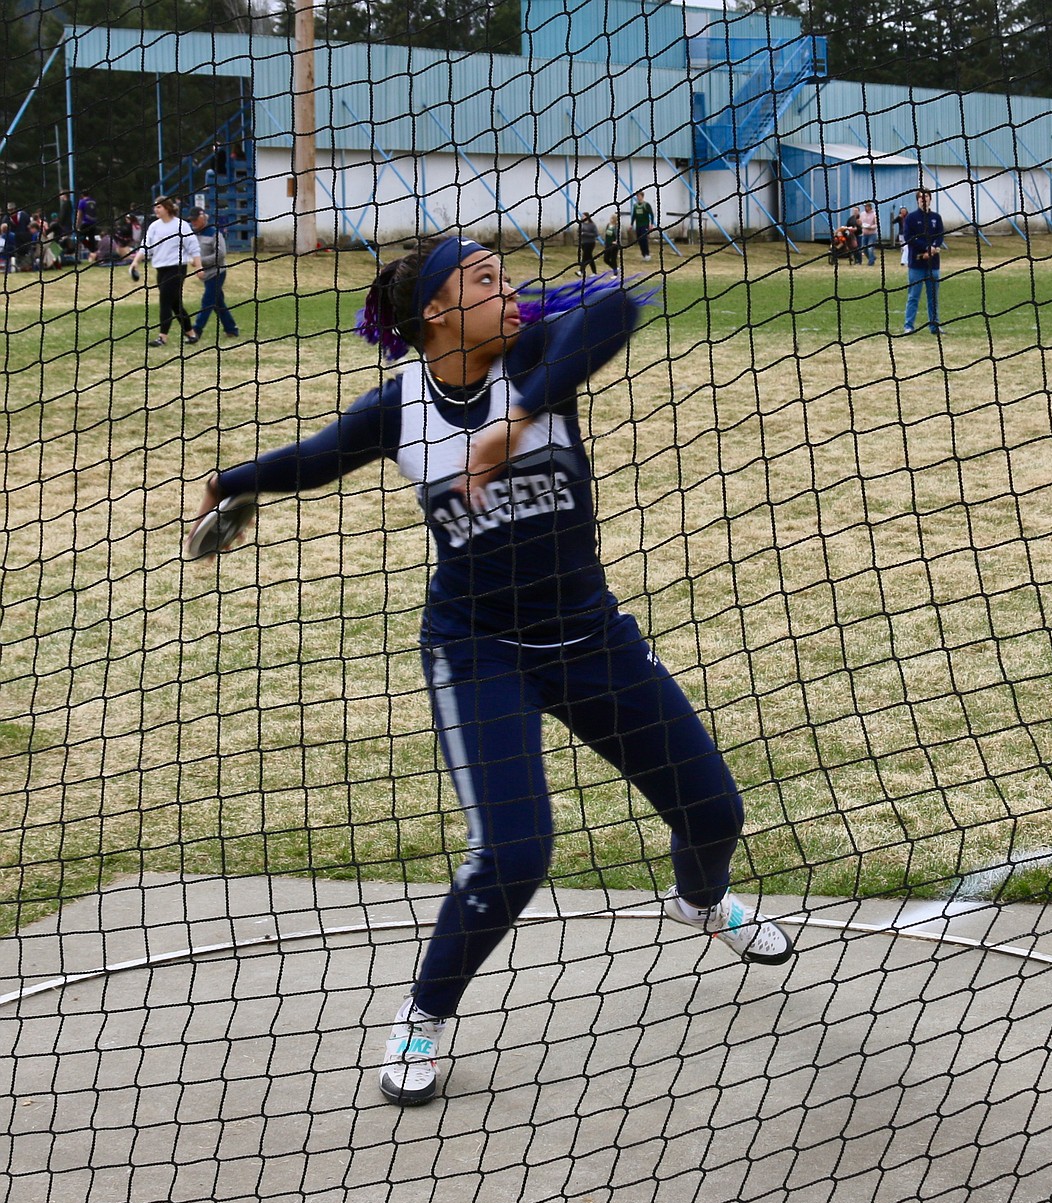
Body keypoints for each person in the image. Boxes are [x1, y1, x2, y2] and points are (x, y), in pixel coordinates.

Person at [185, 235, 796, 1107]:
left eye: (508, 276)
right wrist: (229, 481)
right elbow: (316, 459)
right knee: (515, 852)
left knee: (713, 810)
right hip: (479, 650)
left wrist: (518, 419)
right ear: (434, 311)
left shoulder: (540, 355)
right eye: (485, 280)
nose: (511, 291)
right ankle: (421, 1019)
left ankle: (699, 904)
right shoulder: (403, 406)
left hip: (591, 636)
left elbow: (617, 303)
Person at [128, 196, 203, 348]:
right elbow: (146, 246)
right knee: (175, 304)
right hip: (160, 268)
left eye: (159, 207)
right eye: (155, 207)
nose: (156, 209)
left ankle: (162, 338)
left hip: (177, 268)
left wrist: (199, 266)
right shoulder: (154, 226)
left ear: (168, 208)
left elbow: (193, 245)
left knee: (165, 302)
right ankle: (191, 334)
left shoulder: (181, 225)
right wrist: (136, 262)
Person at [187, 206, 240, 341]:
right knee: (218, 302)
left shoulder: (214, 233)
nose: (193, 223)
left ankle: (197, 330)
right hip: (205, 274)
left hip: (217, 273)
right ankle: (231, 329)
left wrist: (200, 262)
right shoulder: (193, 234)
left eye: (195, 220)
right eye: (191, 221)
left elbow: (221, 254)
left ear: (202, 217)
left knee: (207, 301)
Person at [902, 188, 945, 336]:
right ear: (917, 200)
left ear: (930, 199)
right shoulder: (911, 218)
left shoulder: (936, 217)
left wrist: (933, 248)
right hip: (916, 264)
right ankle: (908, 326)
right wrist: (925, 248)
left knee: (933, 296)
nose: (923, 199)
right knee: (914, 296)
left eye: (926, 196)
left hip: (933, 264)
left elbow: (940, 236)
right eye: (920, 197)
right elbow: (909, 237)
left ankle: (934, 326)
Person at [630, 190, 654, 261]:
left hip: (645, 225)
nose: (638, 197)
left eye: (639, 196)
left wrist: (651, 224)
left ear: (642, 196)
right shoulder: (635, 206)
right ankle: (643, 254)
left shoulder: (646, 205)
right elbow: (634, 216)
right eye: (637, 196)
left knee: (644, 240)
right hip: (638, 225)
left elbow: (651, 214)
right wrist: (631, 224)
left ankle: (647, 254)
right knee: (639, 240)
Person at [576, 211, 598, 276]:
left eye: (583, 216)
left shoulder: (592, 225)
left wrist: (585, 234)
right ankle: (594, 272)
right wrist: (579, 234)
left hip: (590, 243)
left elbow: (595, 234)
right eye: (582, 216)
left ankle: (581, 271)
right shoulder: (581, 224)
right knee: (589, 257)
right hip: (583, 242)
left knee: (585, 256)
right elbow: (578, 232)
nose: (582, 217)